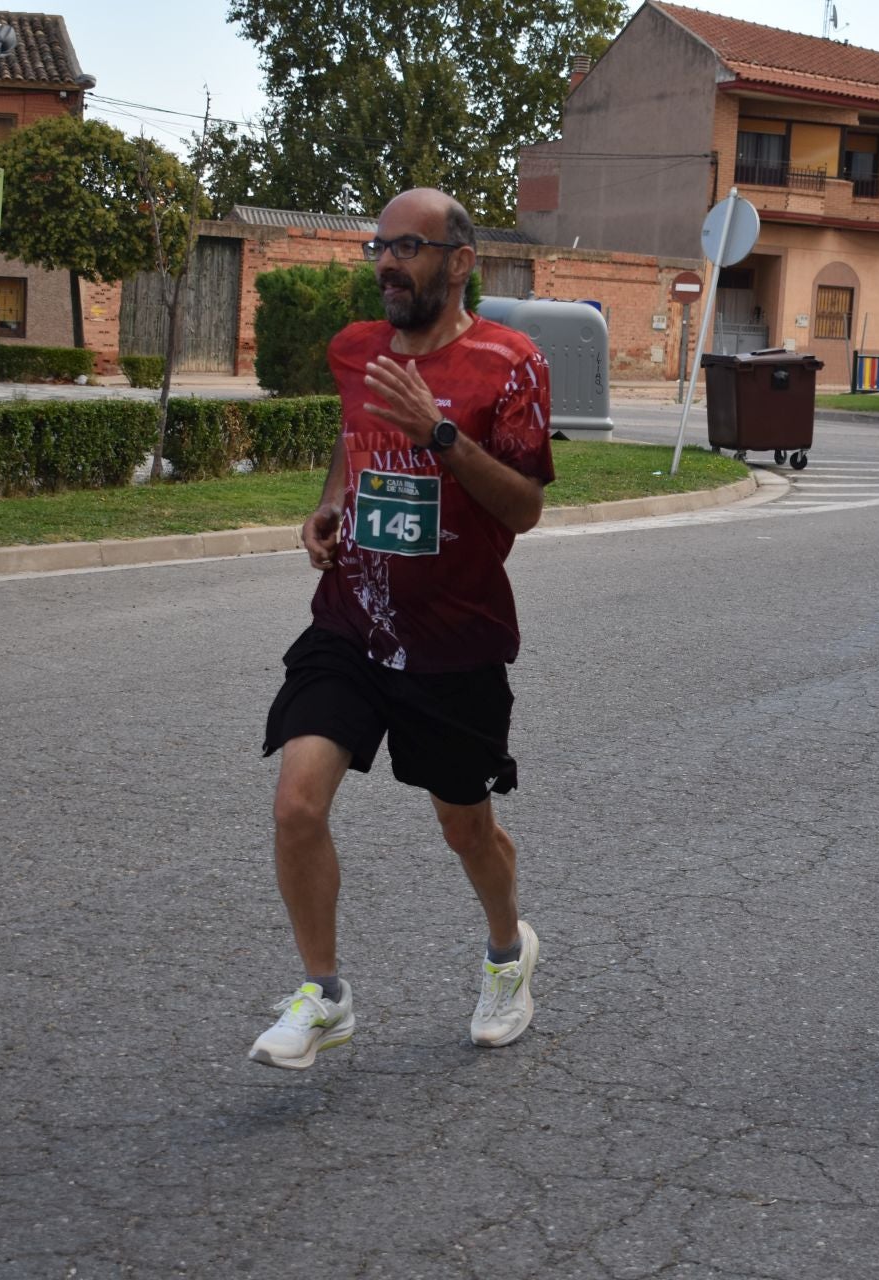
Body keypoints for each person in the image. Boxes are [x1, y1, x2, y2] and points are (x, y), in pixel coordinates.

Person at [249, 188, 555, 1070]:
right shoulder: (357, 350)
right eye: (379, 246)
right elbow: (353, 442)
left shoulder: (513, 362)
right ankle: (324, 994)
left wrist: (441, 434)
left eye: (409, 248)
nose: (387, 262)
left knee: (466, 827)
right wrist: (330, 507)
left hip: (454, 639)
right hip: (352, 618)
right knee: (297, 802)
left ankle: (508, 953)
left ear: (461, 261)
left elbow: (526, 508)